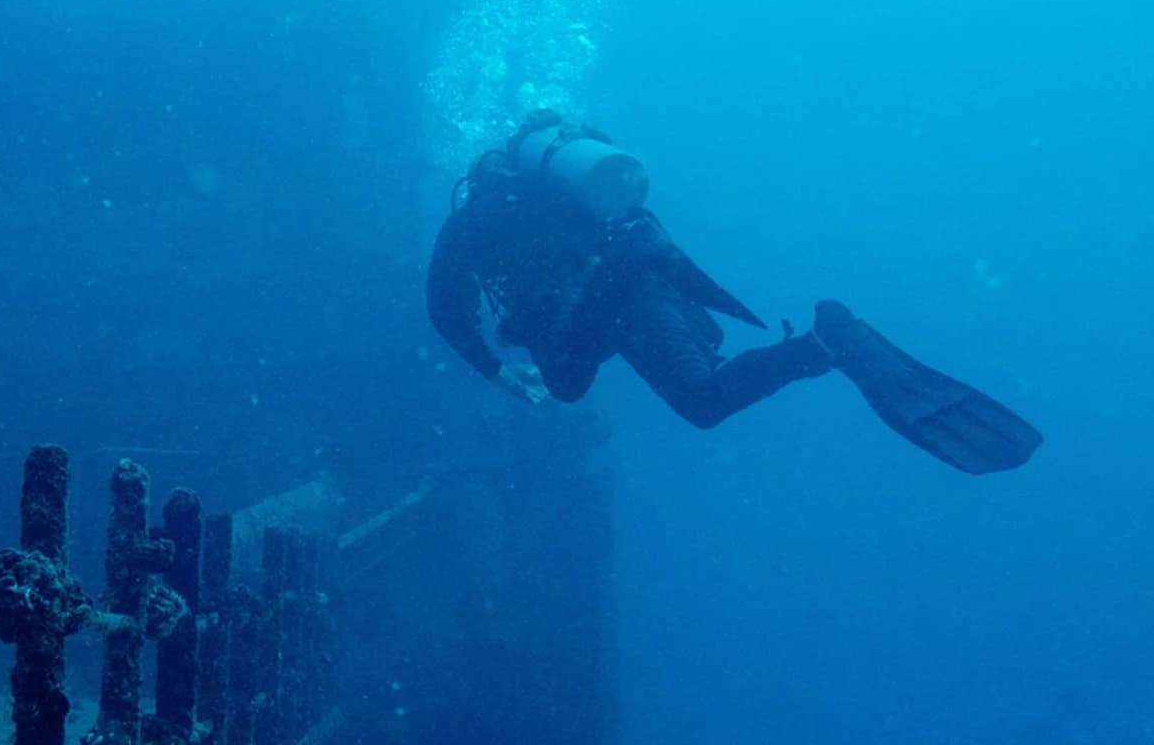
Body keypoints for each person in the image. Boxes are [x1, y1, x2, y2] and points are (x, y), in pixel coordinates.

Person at [426, 112, 1042, 474]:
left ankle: (821, 346)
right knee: (697, 398)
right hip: (644, 283)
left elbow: (444, 309)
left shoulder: (474, 219)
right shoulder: (575, 198)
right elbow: (643, 228)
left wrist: (495, 372)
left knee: (569, 385)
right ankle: (823, 344)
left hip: (618, 296)